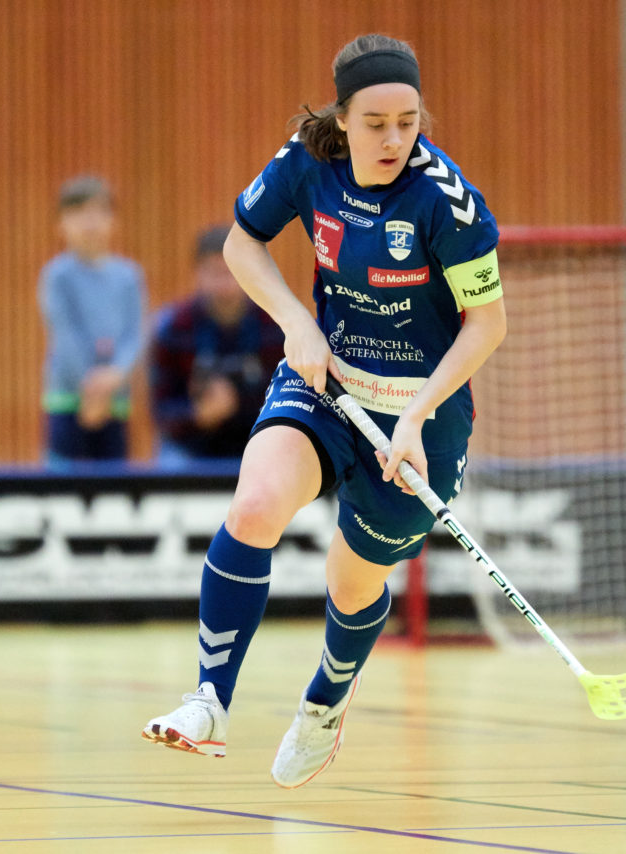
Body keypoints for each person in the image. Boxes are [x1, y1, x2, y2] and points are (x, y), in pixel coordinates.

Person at [141, 34, 507, 788]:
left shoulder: (447, 201)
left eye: (408, 122)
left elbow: (487, 325)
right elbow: (243, 245)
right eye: (375, 123)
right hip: (326, 381)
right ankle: (209, 701)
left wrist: (416, 417)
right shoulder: (307, 162)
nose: (394, 139)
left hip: (422, 416)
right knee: (255, 506)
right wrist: (296, 323)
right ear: (341, 118)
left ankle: (325, 704)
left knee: (352, 583)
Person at [150, 225, 285, 466]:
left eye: (232, 272)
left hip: (258, 442)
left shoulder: (275, 328)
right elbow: (161, 412)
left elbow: (290, 406)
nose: (225, 284)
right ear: (197, 273)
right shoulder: (173, 328)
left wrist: (239, 405)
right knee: (169, 463)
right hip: (190, 448)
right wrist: (198, 415)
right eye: (215, 273)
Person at [39, 175, 145, 466]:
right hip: (67, 399)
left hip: (115, 401)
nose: (89, 222)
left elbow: (135, 335)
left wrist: (115, 376)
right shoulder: (57, 275)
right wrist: (90, 387)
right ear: (60, 224)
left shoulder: (129, 276)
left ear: (113, 220)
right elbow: (64, 334)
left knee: (113, 484)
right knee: (63, 484)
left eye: (98, 212)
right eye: (78, 212)